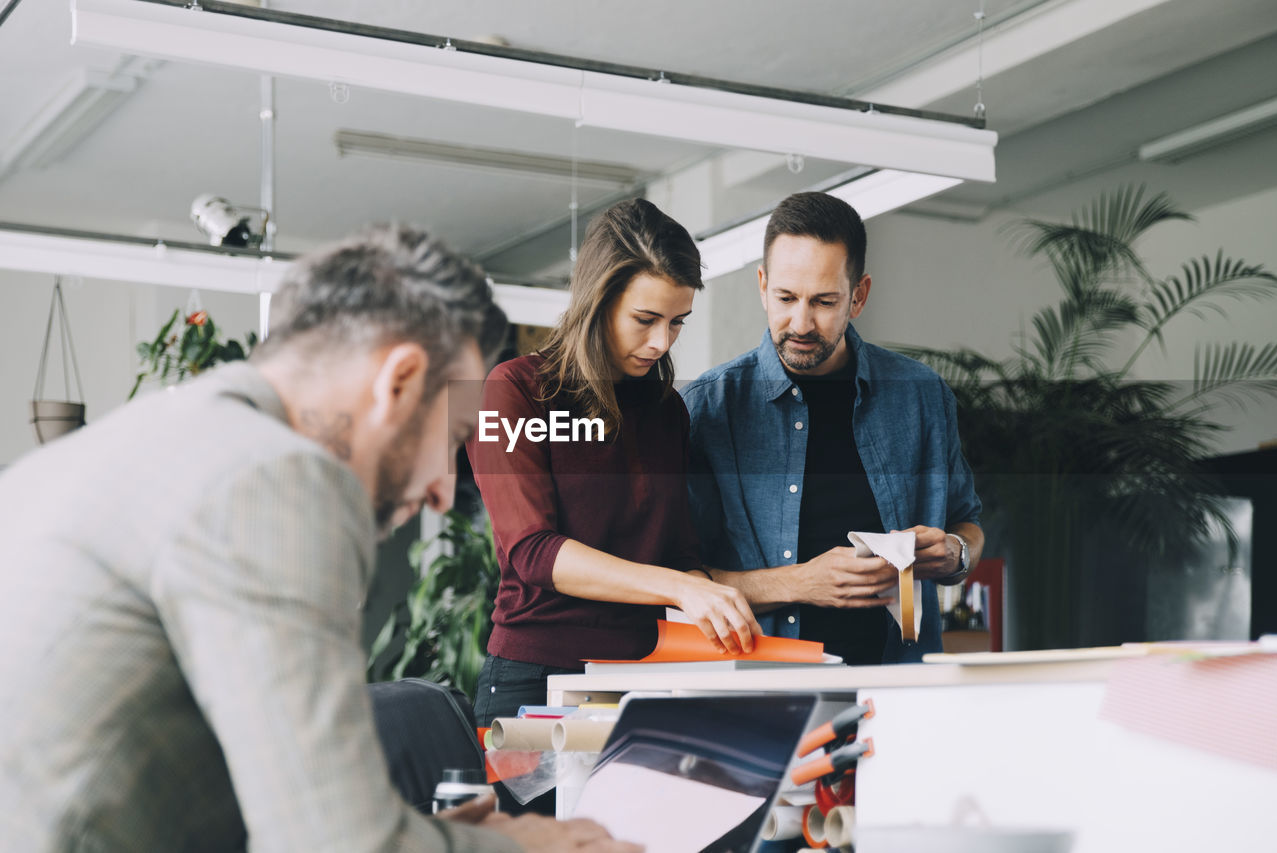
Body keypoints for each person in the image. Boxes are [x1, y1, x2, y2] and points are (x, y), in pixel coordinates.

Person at [0, 225, 639, 853]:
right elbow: (334, 841)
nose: (444, 494)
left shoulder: (125, 448)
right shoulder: (276, 477)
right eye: (450, 442)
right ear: (400, 382)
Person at [468, 198, 760, 731]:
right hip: (537, 680)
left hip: (642, 677)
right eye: (645, 319)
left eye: (677, 323)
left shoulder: (666, 409)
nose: (661, 342)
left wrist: (716, 607)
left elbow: (678, 552)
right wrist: (681, 588)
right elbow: (533, 552)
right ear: (597, 301)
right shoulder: (514, 391)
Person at [681, 192, 985, 664]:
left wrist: (955, 552)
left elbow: (968, 523)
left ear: (858, 296)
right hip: (761, 686)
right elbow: (681, 580)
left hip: (898, 684)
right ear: (762, 286)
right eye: (785, 298)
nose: (800, 323)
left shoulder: (921, 396)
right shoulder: (709, 407)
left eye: (824, 302)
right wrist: (799, 582)